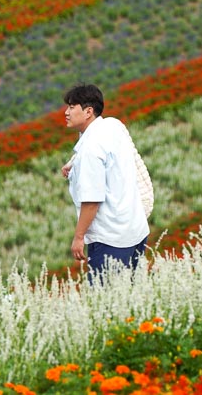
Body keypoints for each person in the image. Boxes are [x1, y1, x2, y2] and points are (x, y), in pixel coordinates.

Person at [62, 83, 149, 284]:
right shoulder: (112, 125)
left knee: (107, 305)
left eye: (71, 107)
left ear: (88, 112)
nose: (66, 113)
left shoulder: (91, 150)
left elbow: (92, 201)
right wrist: (73, 162)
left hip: (111, 239)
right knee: (131, 298)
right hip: (136, 230)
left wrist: (78, 238)